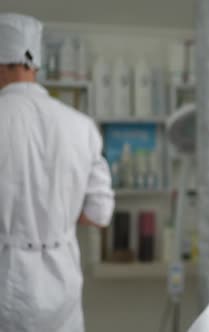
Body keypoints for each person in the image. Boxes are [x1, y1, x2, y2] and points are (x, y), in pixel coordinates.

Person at [0, 13, 114, 331]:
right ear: (35, 65)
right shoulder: (81, 126)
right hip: (62, 280)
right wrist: (57, 208)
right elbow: (99, 214)